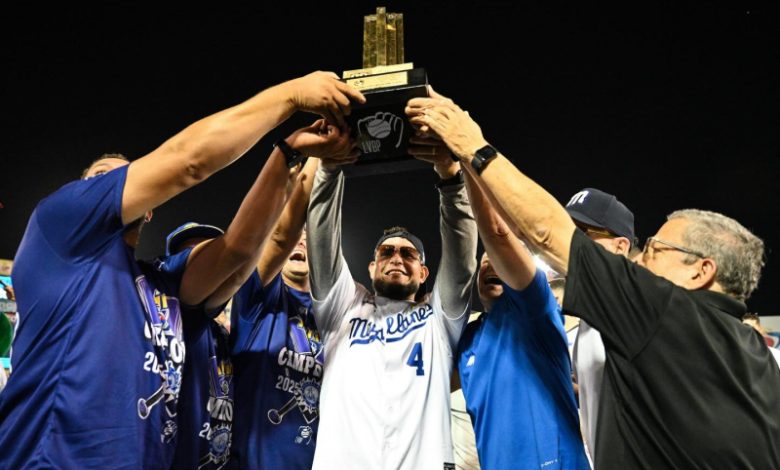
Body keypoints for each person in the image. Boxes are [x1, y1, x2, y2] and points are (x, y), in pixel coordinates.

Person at [0, 72, 364, 469]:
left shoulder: (161, 285)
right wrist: (290, 96)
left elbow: (238, 252)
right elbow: (189, 162)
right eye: (99, 178)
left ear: (147, 208)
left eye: (121, 177)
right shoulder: (58, 226)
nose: (108, 185)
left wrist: (289, 153)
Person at [407, 91, 780, 468]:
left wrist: (470, 146)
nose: (641, 259)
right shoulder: (757, 359)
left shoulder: (662, 311)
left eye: (655, 248)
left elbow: (542, 231)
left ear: (700, 271)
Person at [306, 135, 477, 469]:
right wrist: (329, 169)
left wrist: (450, 179)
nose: (397, 258)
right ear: (371, 268)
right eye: (386, 252)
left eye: (408, 254)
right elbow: (322, 241)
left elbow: (461, 257)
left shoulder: (439, 318)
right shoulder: (344, 307)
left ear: (424, 273)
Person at [454, 161, 589, 469]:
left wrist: (466, 161)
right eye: (483, 263)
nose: (490, 266)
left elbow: (498, 235)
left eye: (498, 261)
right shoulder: (469, 338)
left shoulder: (534, 309)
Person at [565, 187, 636, 461]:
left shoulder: (633, 308)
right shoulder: (590, 312)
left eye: (583, 233)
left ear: (620, 246)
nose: (571, 242)